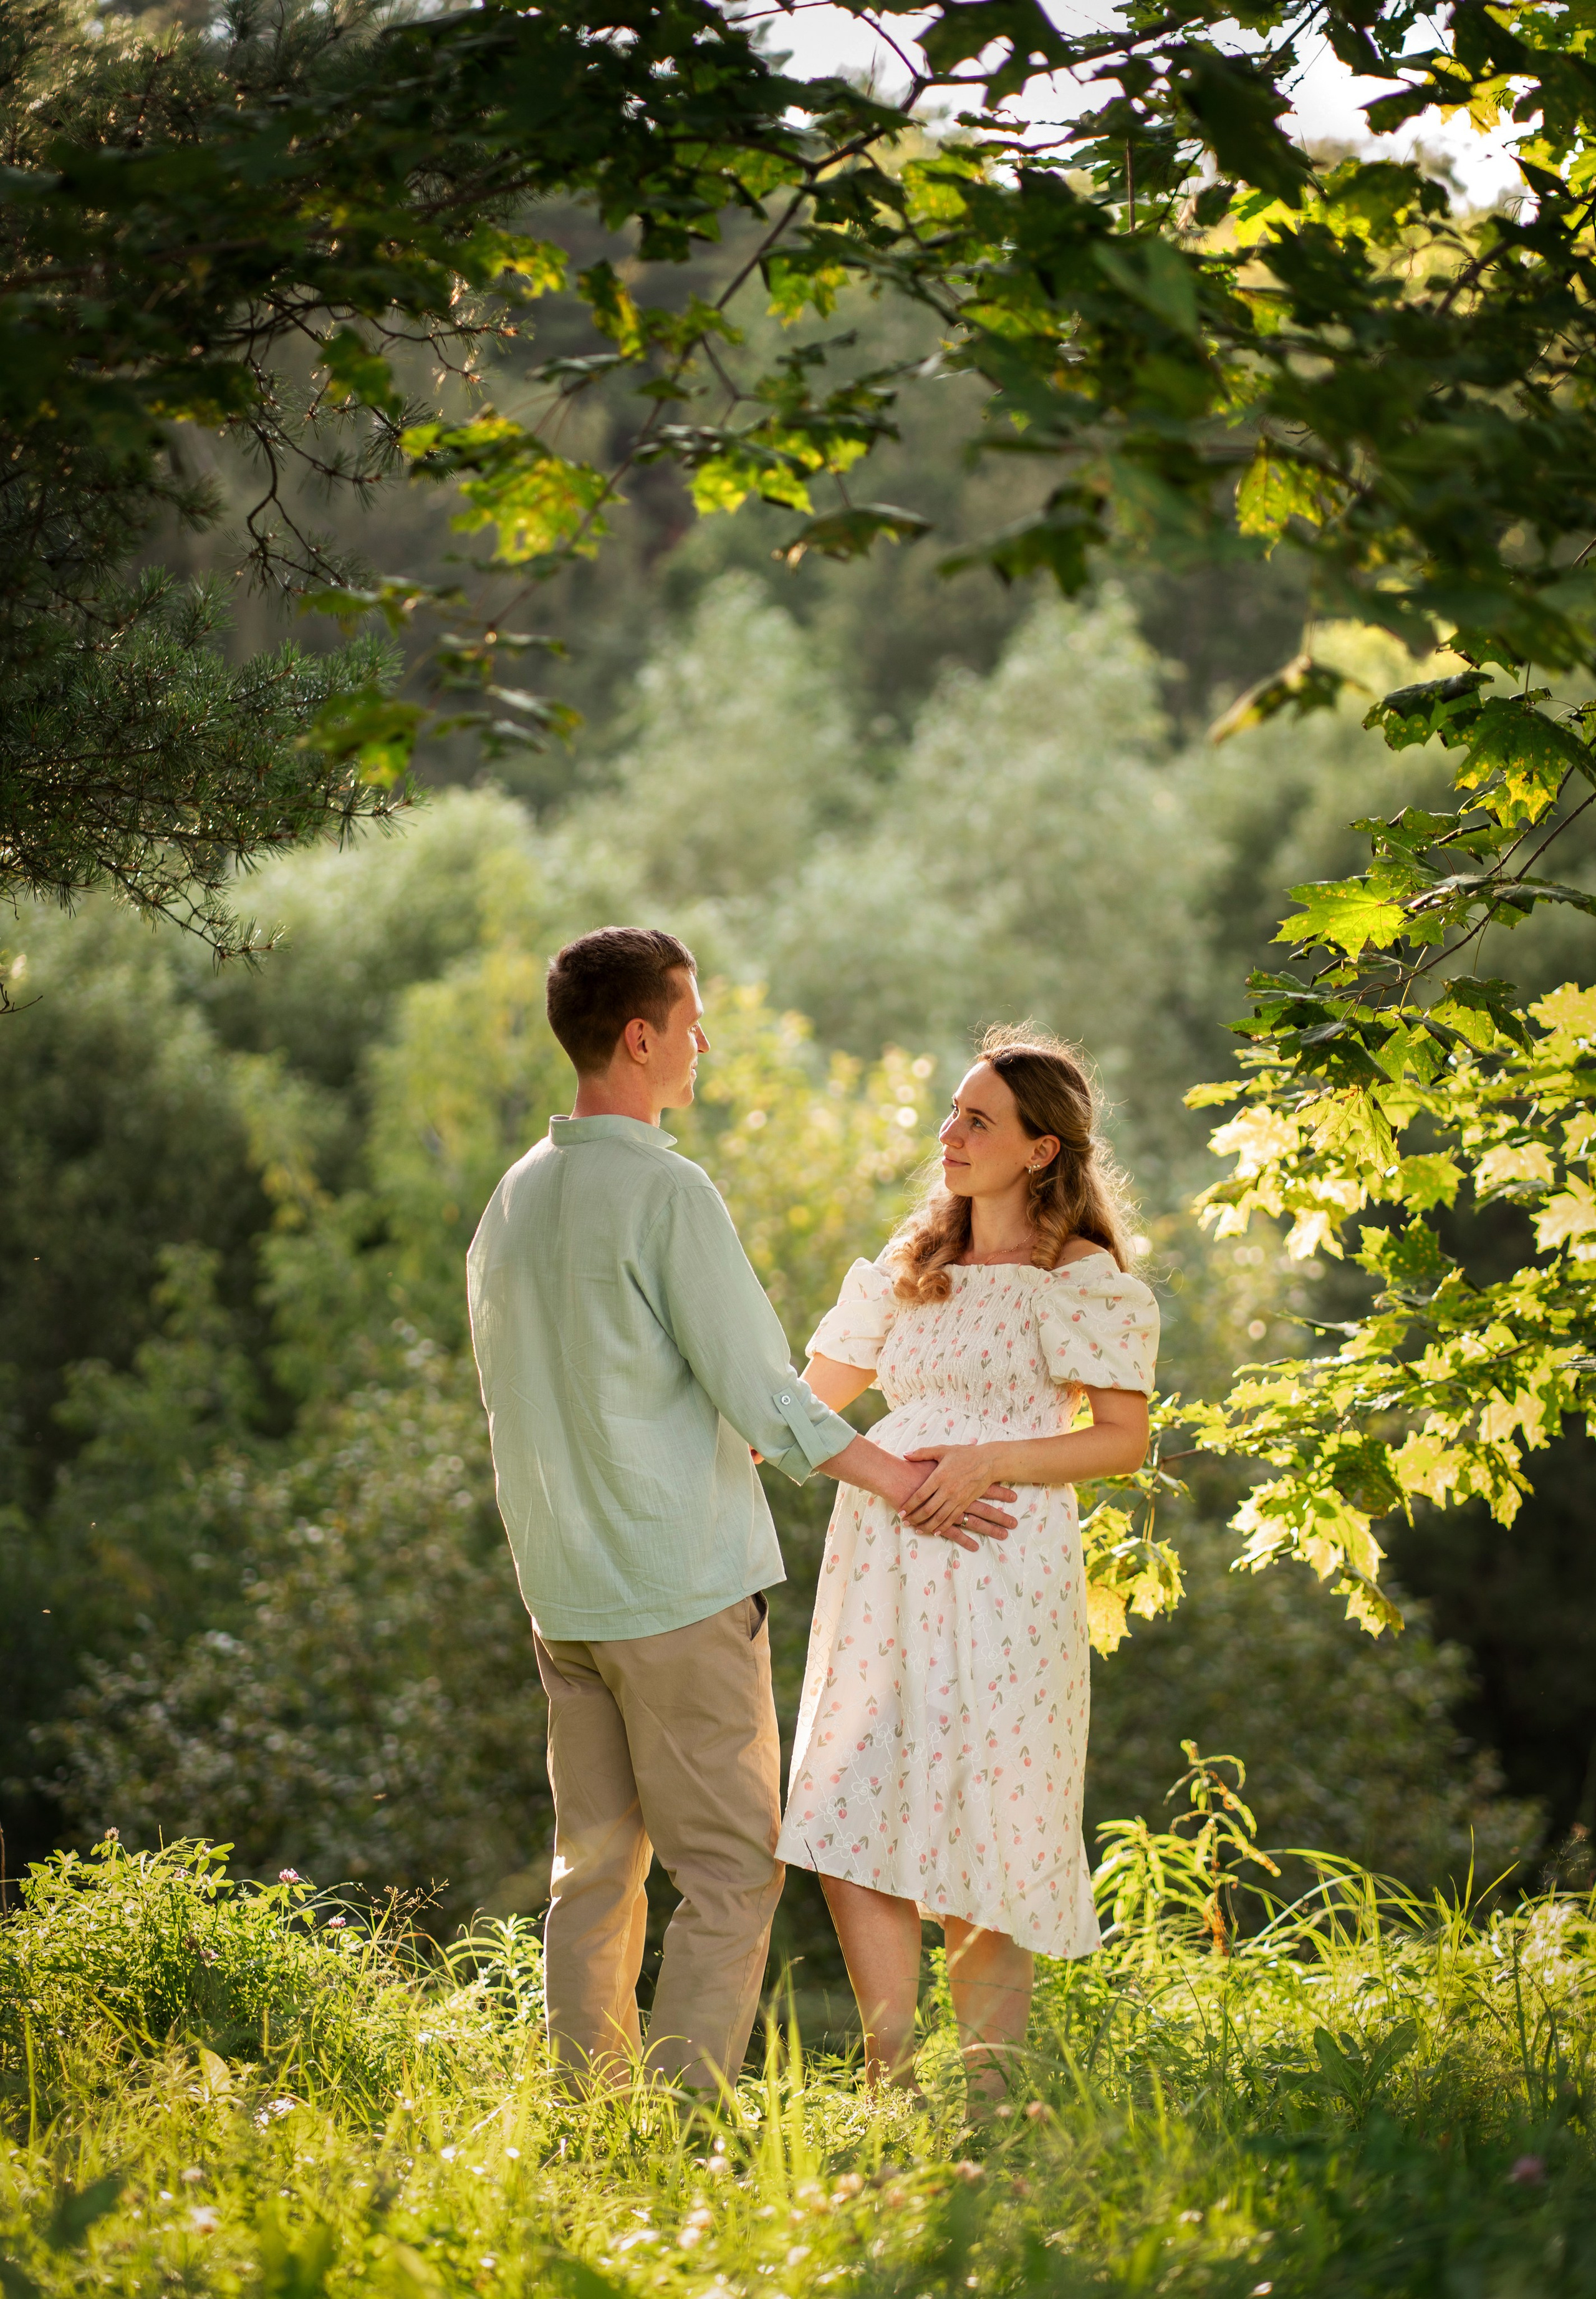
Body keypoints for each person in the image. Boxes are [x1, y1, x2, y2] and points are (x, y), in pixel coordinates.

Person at [465, 927, 1016, 2094]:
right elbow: (768, 1398)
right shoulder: (666, 1191)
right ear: (640, 1036)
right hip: (677, 1592)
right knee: (728, 1876)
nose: (704, 1042)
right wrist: (913, 1484)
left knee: (593, 1872)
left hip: (562, 1599)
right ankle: (684, 2126)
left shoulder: (512, 1202)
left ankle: (589, 2119)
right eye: (694, 1020)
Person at [776, 1024, 1158, 2103]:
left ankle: (990, 2098)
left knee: (988, 1816)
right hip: (884, 1566)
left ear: (1042, 1150)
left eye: (978, 1120)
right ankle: (893, 2081)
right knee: (851, 1808)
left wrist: (994, 1457)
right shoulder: (913, 1261)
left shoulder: (1077, 1276)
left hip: (1005, 1567)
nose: (950, 1134)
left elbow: (1122, 1441)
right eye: (951, 1112)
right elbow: (801, 1407)